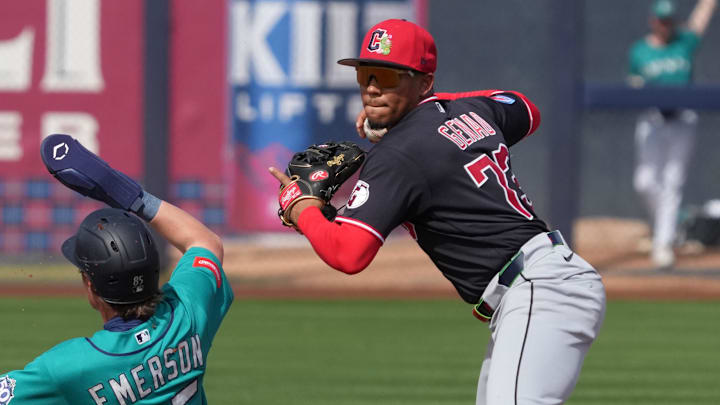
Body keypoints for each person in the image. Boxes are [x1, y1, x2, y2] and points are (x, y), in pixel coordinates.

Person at [269, 19, 606, 405]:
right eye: (366, 75)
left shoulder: (399, 154)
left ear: (424, 82)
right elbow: (523, 107)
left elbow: (348, 254)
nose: (373, 89)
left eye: (389, 77)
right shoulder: (472, 110)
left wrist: (300, 206)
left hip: (539, 291)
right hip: (540, 286)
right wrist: (444, 107)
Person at [0, 134, 233, 404]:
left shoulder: (67, 368)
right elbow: (204, 242)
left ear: (90, 285)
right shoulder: (187, 314)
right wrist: (130, 196)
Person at [628, 0, 716, 268]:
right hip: (653, 119)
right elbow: (633, 85)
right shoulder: (640, 51)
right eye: (661, 20)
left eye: (669, 20)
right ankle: (674, 223)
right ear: (653, 20)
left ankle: (663, 245)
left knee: (672, 183)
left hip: (683, 118)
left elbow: (701, 18)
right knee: (644, 182)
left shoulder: (684, 42)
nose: (665, 25)